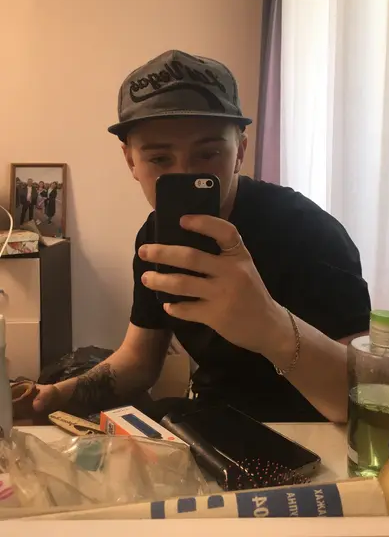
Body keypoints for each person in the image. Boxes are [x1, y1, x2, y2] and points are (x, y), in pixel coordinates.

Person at [34, 49, 370, 423]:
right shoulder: (156, 237)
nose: (185, 174)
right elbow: (138, 362)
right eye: (159, 159)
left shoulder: (309, 231)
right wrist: (52, 396)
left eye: (208, 154)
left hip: (310, 435)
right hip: (211, 424)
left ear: (239, 152)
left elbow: (360, 399)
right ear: (131, 161)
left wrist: (268, 324)